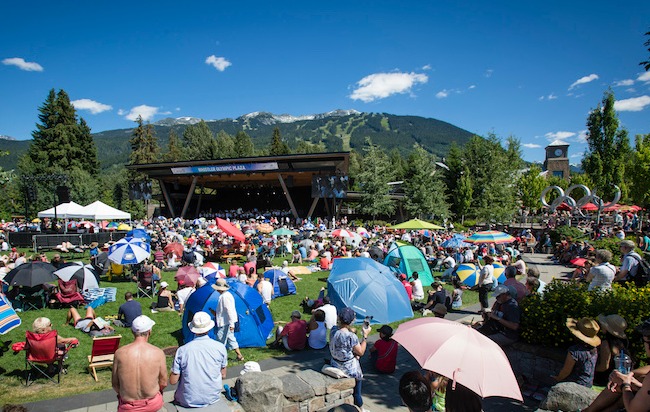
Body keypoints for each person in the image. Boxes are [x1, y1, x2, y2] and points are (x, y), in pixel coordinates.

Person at [170, 312, 230, 411]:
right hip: (212, 397)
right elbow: (223, 375)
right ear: (209, 328)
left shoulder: (183, 350)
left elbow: (173, 381)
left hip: (188, 400)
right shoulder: (220, 347)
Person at [112, 316, 167, 412]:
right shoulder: (158, 353)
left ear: (132, 332)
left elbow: (115, 384)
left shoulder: (119, 353)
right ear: (149, 331)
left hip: (128, 406)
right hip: (152, 403)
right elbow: (163, 382)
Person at [329, 307, 371, 409]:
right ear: (352, 321)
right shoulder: (351, 336)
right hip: (348, 368)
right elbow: (360, 352)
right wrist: (365, 336)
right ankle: (359, 406)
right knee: (357, 387)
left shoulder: (333, 330)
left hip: (335, 362)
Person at [552, 317, 600, 387]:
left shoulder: (575, 351)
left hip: (575, 385)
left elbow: (566, 371)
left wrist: (557, 378)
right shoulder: (594, 349)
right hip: (588, 384)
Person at [212, 278, 244, 361]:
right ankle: (239, 355)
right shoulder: (226, 295)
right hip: (227, 321)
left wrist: (231, 323)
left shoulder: (224, 297)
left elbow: (229, 310)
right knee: (231, 338)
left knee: (220, 339)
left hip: (225, 322)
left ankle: (219, 358)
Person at [594, 314, 629, 386]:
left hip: (605, 380)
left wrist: (590, 370)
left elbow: (604, 366)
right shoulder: (623, 343)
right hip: (618, 380)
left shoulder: (606, 343)